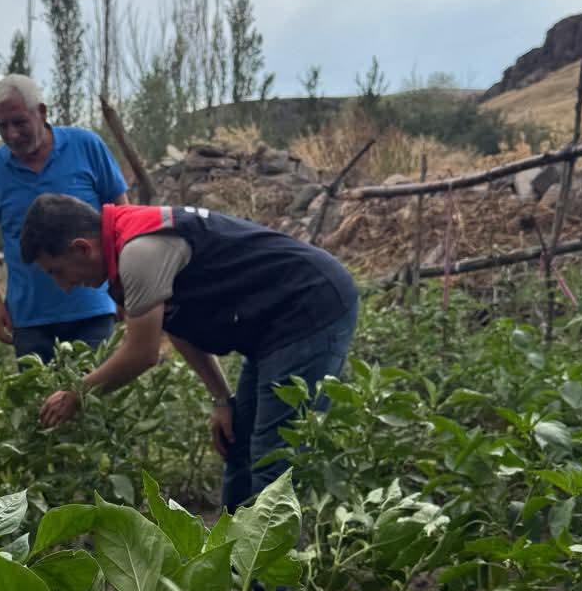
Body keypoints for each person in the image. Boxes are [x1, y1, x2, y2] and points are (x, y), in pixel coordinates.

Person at [19, 195, 358, 510]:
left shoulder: (138, 252)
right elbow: (178, 325)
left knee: (276, 464)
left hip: (309, 306)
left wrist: (77, 394)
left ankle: (269, 574)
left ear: (81, 248)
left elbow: (142, 353)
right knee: (239, 445)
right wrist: (223, 399)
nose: (63, 286)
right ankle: (232, 567)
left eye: (57, 271)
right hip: (273, 323)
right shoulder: (126, 242)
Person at [0, 74, 128, 363]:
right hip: (30, 317)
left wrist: (122, 283)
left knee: (94, 399)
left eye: (19, 122)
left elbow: (121, 215)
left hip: (92, 307)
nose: (12, 134)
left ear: (41, 112)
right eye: (2, 125)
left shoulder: (87, 146)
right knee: (38, 405)